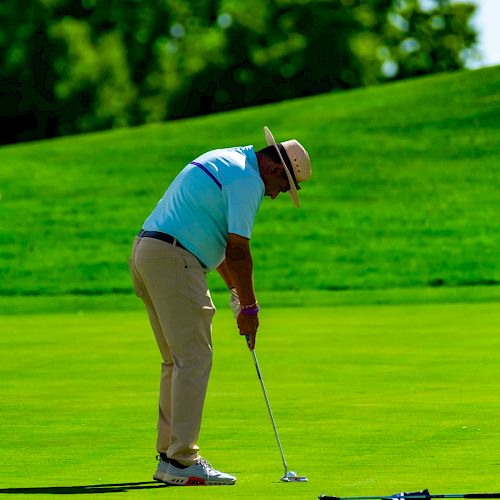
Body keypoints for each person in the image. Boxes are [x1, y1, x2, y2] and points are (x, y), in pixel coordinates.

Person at [129, 126, 311, 486]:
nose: (277, 195)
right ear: (276, 170)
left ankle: (169, 457)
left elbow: (217, 237)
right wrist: (250, 308)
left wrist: (233, 291)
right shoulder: (249, 181)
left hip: (147, 252)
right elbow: (239, 249)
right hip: (174, 259)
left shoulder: (228, 159)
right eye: (284, 187)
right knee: (194, 358)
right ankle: (183, 461)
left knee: (177, 360)